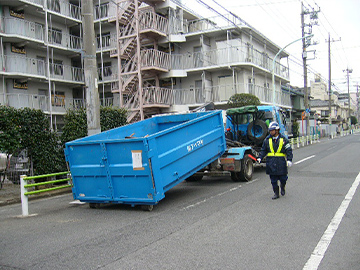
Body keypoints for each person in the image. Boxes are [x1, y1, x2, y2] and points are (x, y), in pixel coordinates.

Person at [257, 121, 293, 200]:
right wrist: (260, 157)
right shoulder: (267, 140)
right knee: (273, 180)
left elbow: (289, 150)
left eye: (272, 130)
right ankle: (276, 193)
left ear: (277, 130)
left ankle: (282, 186)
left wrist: (289, 160)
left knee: (283, 178)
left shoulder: (284, 140)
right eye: (270, 130)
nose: (271, 132)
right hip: (271, 162)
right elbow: (263, 150)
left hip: (281, 162)